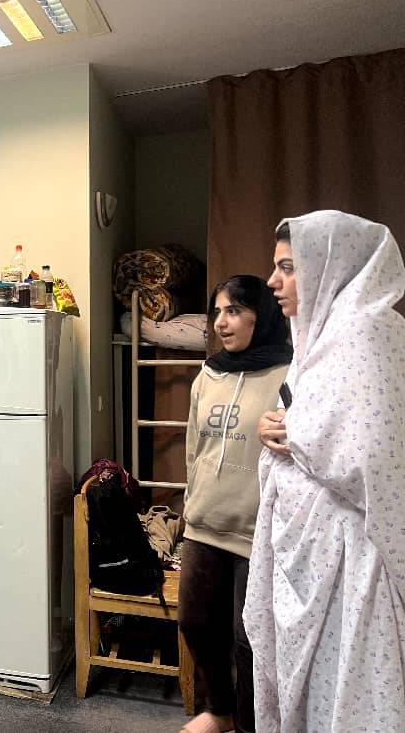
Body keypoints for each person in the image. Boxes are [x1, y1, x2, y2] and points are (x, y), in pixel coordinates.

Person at [246, 211, 405, 732]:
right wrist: (274, 424)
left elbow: (370, 454)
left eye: (288, 267)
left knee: (347, 693)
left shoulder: (367, 332)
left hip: (352, 559)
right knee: (317, 693)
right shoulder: (319, 338)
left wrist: (293, 432)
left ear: (331, 266)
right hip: (314, 553)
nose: (273, 281)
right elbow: (308, 416)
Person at [178, 276, 292, 733]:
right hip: (204, 522)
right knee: (195, 622)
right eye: (217, 312)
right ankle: (219, 710)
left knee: (250, 641)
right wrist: (190, 503)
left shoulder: (288, 374)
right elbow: (194, 447)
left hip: (257, 531)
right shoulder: (208, 374)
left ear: (261, 316)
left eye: (234, 311)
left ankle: (249, 725)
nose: (221, 323)